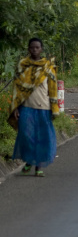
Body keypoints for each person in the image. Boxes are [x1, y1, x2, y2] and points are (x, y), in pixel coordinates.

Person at [8, 37, 59, 176]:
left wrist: (55, 108)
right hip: (26, 107)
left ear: (41, 49)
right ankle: (29, 161)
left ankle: (38, 167)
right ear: (28, 49)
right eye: (32, 47)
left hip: (43, 107)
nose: (34, 50)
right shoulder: (22, 65)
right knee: (26, 135)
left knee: (42, 138)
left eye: (37, 47)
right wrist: (15, 108)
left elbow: (53, 89)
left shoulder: (48, 67)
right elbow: (16, 89)